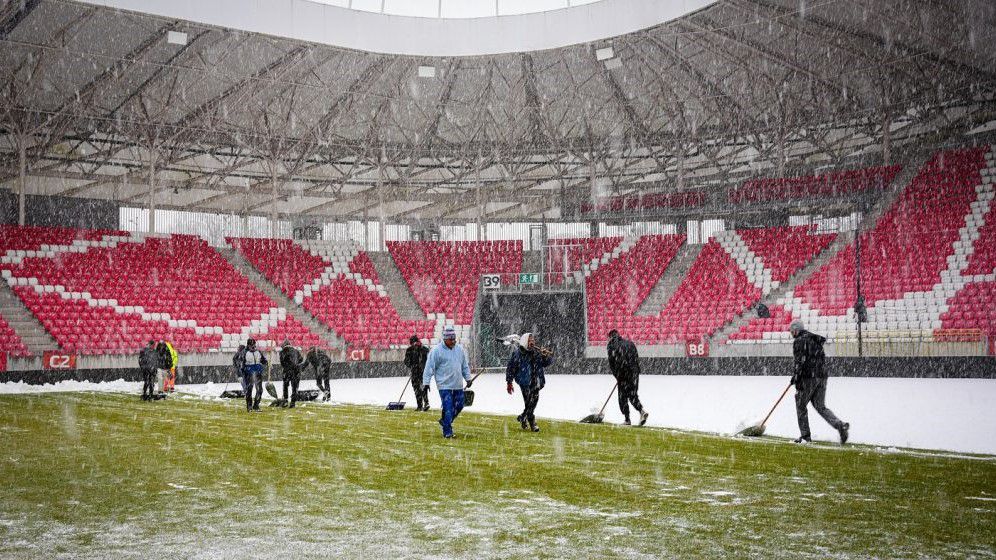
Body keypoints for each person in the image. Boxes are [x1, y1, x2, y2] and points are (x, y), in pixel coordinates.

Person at [790, 321, 849, 444]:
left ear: (796, 330)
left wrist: (797, 376)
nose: (791, 333)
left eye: (792, 331)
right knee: (820, 406)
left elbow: (800, 361)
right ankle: (840, 425)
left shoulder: (799, 341)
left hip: (808, 377)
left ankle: (805, 436)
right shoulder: (815, 340)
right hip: (822, 376)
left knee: (800, 405)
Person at [422, 326, 472, 438]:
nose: (453, 341)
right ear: (445, 339)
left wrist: (468, 378)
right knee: (448, 407)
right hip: (444, 385)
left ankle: (445, 421)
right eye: (451, 339)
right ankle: (447, 432)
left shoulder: (459, 350)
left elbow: (464, 366)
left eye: (454, 339)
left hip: (457, 384)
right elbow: (429, 367)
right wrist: (426, 383)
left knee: (459, 405)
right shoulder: (436, 351)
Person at [505, 332, 552, 432]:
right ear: (525, 341)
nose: (532, 342)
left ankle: (523, 417)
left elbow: (546, 363)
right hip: (525, 382)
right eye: (530, 340)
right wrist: (509, 382)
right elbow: (511, 368)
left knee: (532, 403)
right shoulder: (518, 354)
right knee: (528, 403)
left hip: (536, 382)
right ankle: (532, 423)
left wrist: (545, 356)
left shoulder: (536, 352)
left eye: (533, 340)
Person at [606, 330, 649, 426]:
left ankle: (627, 419)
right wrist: (634, 371)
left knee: (622, 397)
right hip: (634, 373)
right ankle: (641, 411)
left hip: (623, 374)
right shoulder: (630, 343)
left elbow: (612, 364)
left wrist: (618, 376)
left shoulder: (611, 346)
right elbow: (636, 358)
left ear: (610, 337)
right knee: (632, 394)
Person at [403, 336, 430, 411]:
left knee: (421, 388)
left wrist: (413, 365)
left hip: (421, 372)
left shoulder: (422, 349)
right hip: (418, 372)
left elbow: (427, 358)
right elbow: (406, 361)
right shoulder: (411, 350)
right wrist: (412, 365)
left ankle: (423, 404)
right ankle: (422, 404)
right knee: (419, 388)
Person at [242, 338, 267, 412]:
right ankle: (249, 406)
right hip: (249, 374)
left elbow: (262, 360)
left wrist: (266, 362)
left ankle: (256, 405)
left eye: (254, 345)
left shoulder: (258, 352)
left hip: (258, 373)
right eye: (251, 345)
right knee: (249, 390)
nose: (253, 347)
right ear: (248, 345)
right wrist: (243, 372)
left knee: (259, 390)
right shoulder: (244, 353)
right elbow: (242, 364)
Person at [279, 339, 305, 407]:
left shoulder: (282, 352)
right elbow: (301, 359)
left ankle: (285, 400)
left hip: (287, 370)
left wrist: (286, 366)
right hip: (296, 370)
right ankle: (293, 402)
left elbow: (282, 363)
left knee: (285, 386)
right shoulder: (296, 351)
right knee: (294, 386)